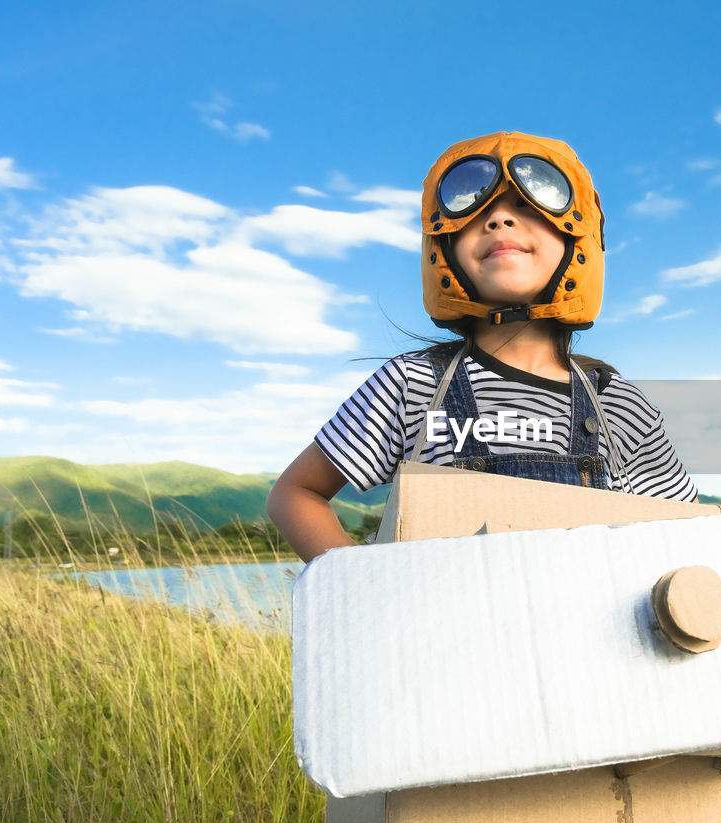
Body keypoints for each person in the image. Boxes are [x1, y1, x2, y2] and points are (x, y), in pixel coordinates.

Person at [267, 131, 697, 562]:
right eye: (477, 211)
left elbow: (688, 531)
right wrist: (363, 586)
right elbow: (296, 493)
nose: (499, 220)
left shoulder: (620, 403)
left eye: (528, 206)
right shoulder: (411, 385)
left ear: (578, 238)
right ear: (443, 246)